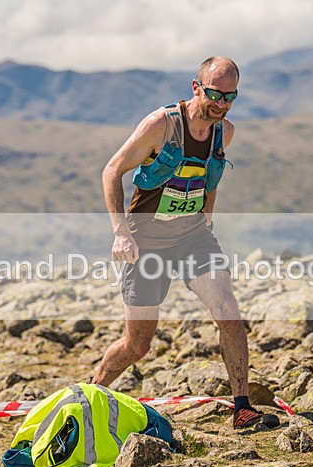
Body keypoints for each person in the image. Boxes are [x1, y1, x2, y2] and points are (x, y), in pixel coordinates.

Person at [90, 56, 279, 429]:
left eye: (230, 97)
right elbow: (112, 170)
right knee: (137, 346)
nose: (221, 104)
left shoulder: (226, 131)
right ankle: (91, 392)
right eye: (214, 94)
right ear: (196, 87)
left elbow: (212, 171)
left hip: (193, 237)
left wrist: (208, 212)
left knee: (229, 312)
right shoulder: (161, 125)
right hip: (146, 243)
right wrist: (120, 232)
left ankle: (241, 407)